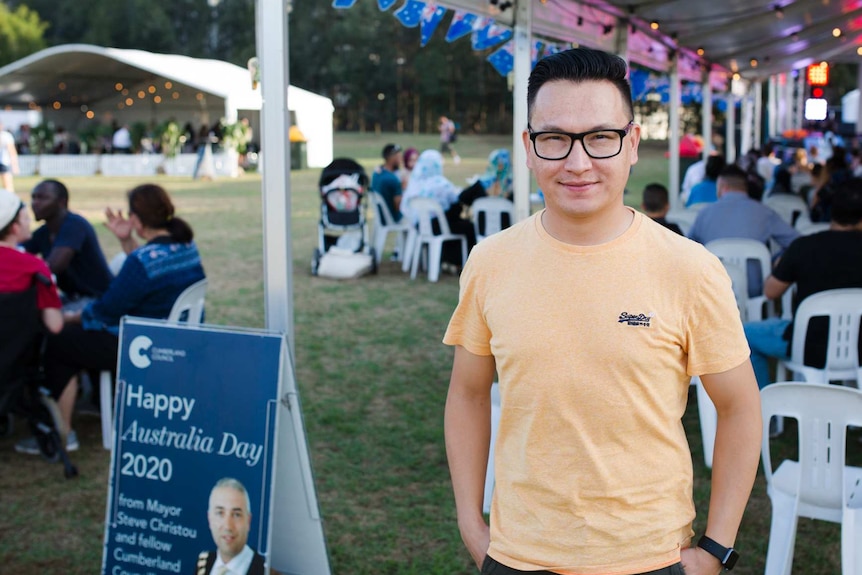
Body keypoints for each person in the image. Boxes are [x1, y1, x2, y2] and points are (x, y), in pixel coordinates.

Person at [443, 47, 761, 575]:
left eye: (600, 137)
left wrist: (714, 550)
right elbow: (469, 393)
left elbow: (741, 408)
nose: (577, 162)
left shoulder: (689, 269)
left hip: (648, 557)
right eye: (554, 139)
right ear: (528, 147)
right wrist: (470, 524)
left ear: (632, 143)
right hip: (516, 553)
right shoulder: (490, 261)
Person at [14, 184, 205, 454]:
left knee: (60, 342)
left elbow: (105, 311)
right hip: (175, 338)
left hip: (146, 346)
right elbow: (148, 276)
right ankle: (91, 404)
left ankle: (63, 432)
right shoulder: (185, 246)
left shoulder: (143, 260)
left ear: (136, 220)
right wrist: (127, 241)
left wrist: (66, 318)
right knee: (77, 336)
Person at [743, 178, 862, 389]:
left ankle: (761, 407)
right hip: (859, 348)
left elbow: (770, 292)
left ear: (831, 210)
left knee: (743, 335)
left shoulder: (803, 247)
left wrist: (781, 264)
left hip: (806, 346)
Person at [23, 179, 114, 307]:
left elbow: (54, 266)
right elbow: (15, 252)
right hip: (72, 297)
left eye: (43, 198)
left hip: (97, 299)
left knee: (42, 320)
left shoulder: (75, 225)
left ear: (62, 202)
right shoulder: (44, 231)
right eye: (34, 198)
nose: (35, 203)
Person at [0, 188, 63, 334]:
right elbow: (55, 325)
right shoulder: (33, 267)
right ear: (15, 228)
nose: (29, 222)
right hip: (16, 351)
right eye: (26, 218)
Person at [400, 149, 477, 266]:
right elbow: (455, 201)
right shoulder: (441, 183)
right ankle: (465, 263)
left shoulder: (415, 182)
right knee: (468, 227)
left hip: (421, 226)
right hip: (438, 227)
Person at [195, 477, 266, 575]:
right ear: (209, 519)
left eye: (236, 515)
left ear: (248, 521)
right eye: (220, 513)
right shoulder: (204, 564)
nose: (228, 526)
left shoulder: (265, 571)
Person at [371, 143, 403, 222]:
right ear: (391, 158)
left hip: (379, 216)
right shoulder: (393, 179)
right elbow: (399, 206)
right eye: (398, 156)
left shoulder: (376, 173)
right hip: (391, 218)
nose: (401, 159)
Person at [0, 122, 20, 192]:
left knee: (7, 185)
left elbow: (12, 151)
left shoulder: (6, 136)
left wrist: (15, 165)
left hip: (4, 162)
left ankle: (10, 200)